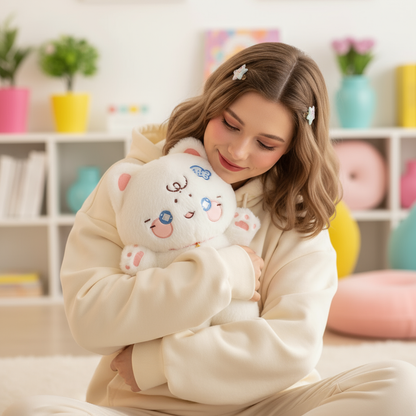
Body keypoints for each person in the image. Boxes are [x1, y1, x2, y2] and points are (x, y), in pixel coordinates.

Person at [3, 42, 416, 416]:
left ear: (292, 148)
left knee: (402, 386)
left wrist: (156, 362)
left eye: (266, 143)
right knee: (31, 411)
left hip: (270, 404)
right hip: (142, 406)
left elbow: (293, 347)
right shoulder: (132, 184)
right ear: (212, 104)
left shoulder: (297, 214)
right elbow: (91, 318)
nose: (238, 151)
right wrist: (225, 272)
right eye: (231, 124)